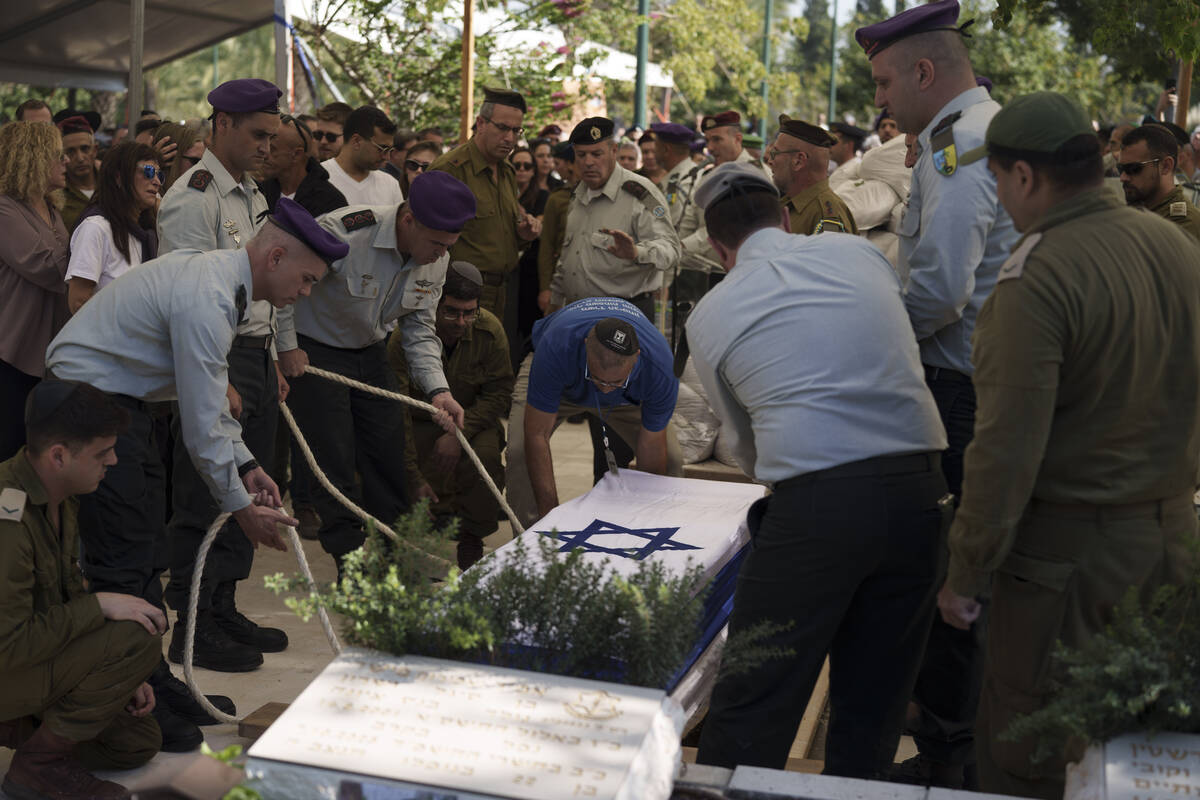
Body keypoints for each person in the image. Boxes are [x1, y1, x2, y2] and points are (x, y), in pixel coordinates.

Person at [942, 91, 1200, 800]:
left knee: (1036, 756)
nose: (1000, 196)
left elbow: (1004, 454)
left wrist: (965, 572)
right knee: (1145, 762)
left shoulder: (1038, 276)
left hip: (1069, 569)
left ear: (1024, 177)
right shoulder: (1177, 247)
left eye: (997, 180)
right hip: (1173, 544)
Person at [45, 198, 343, 751]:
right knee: (121, 558)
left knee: (142, 554)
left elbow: (206, 405)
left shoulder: (220, 285)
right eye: (306, 280)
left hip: (122, 404)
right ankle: (115, 706)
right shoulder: (210, 296)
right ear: (275, 256)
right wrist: (240, 506)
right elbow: (204, 426)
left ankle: (147, 677)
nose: (305, 293)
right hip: (86, 404)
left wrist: (249, 466)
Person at [688, 162, 948, 780]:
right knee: (874, 702)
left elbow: (745, 446)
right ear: (784, 216)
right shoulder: (858, 255)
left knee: (756, 696)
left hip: (818, 507)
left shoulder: (710, 313)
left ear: (718, 247)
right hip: (922, 494)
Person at [858, 0, 1020, 786]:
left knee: (950, 575)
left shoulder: (959, 147)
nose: (880, 100)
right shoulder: (966, 138)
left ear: (925, 72)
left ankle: (950, 755)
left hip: (957, 387)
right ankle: (950, 738)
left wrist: (872, 345)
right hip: (965, 380)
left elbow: (941, 291)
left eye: (886, 82)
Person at [275, 172, 474, 575]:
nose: (441, 255)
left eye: (448, 246)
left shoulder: (438, 256)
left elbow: (419, 329)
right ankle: (349, 561)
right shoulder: (346, 233)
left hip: (371, 351)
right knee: (331, 462)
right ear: (408, 220)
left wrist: (438, 389)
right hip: (315, 352)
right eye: (436, 243)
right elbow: (282, 287)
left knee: (389, 457)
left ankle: (391, 554)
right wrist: (286, 347)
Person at [157, 78, 288, 681]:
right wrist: (220, 380)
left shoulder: (249, 193)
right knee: (203, 491)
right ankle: (193, 624)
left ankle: (223, 604)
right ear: (222, 126)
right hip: (218, 354)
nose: (268, 146)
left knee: (252, 484)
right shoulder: (196, 196)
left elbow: (263, 276)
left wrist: (276, 357)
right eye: (258, 134)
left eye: (273, 135)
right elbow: (185, 297)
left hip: (254, 354)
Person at [0, 381, 165, 800]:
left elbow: (61, 593)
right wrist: (97, 608)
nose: (113, 460)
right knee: (136, 636)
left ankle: (24, 727)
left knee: (134, 742)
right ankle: (39, 768)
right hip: (8, 659)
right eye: (101, 452)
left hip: (27, 658)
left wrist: (113, 675)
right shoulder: (7, 516)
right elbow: (8, 646)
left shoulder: (62, 495)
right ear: (59, 455)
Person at [505, 296, 683, 526]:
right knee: (519, 451)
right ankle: (531, 542)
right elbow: (536, 435)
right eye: (598, 378)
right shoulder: (558, 345)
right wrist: (550, 524)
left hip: (626, 400)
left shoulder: (661, 367)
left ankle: (656, 533)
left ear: (637, 357)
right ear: (585, 344)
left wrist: (645, 520)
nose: (605, 390)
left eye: (617, 381)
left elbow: (651, 445)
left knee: (672, 460)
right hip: (563, 384)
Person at [388, 262, 514, 570]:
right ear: (436, 303)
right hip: (417, 421)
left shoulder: (490, 330)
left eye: (469, 313)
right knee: (394, 460)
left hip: (471, 419)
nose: (461, 322)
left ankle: (472, 537)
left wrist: (459, 434)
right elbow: (397, 410)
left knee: (484, 455)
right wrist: (413, 477)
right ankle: (406, 540)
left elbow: (499, 393)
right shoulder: (406, 337)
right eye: (452, 312)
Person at [546, 117, 680, 318]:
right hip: (576, 313)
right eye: (581, 155)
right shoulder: (578, 194)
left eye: (596, 154)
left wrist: (636, 252)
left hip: (623, 316)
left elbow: (672, 250)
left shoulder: (640, 194)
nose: (588, 162)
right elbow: (569, 257)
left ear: (613, 151)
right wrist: (555, 302)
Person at [429, 87, 541, 321]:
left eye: (516, 130)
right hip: (460, 297)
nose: (510, 138)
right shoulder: (451, 169)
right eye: (502, 128)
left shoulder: (507, 171)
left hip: (504, 290)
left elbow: (499, 233)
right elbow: (427, 241)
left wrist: (523, 234)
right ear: (480, 123)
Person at [0, 121, 70, 462]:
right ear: (35, 158)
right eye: (59, 155)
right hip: (12, 353)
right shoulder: (4, 209)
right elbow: (45, 265)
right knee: (10, 449)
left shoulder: (52, 209)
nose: (67, 162)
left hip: (47, 354)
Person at [65, 142, 163, 313]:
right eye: (148, 172)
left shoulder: (144, 231)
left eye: (159, 175)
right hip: (110, 338)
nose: (156, 182)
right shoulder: (95, 228)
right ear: (119, 177)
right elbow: (78, 302)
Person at [767, 115, 857, 235]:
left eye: (775, 153)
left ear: (798, 161)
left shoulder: (826, 215)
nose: (770, 161)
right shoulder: (789, 203)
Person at [1117, 123, 1200, 241]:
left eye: (1133, 169)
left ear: (1166, 166)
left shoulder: (1183, 223)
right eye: (1121, 169)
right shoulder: (1137, 207)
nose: (1123, 177)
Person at [259, 113, 348, 218]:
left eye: (272, 149)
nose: (264, 154)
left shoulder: (329, 201)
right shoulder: (258, 192)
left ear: (297, 154)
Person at [512, 145, 551, 365]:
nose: (522, 170)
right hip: (508, 267)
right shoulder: (502, 194)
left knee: (529, 324)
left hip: (531, 270)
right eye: (517, 165)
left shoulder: (544, 196)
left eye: (527, 166)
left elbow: (537, 229)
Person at [322, 105, 405, 207]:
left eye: (390, 150)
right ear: (356, 141)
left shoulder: (390, 184)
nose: (386, 157)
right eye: (382, 149)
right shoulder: (318, 179)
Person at [537, 142, 576, 314]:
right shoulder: (557, 198)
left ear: (570, 164)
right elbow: (547, 246)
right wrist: (545, 287)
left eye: (558, 164)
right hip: (561, 281)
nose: (555, 168)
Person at [54, 111, 102, 231]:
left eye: (85, 149)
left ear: (95, 150)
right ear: (62, 156)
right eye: (71, 151)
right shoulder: (55, 196)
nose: (80, 158)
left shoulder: (114, 185)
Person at [652, 122, 704, 232]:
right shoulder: (692, 173)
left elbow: (677, 229)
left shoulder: (680, 182)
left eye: (656, 147)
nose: (653, 153)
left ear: (666, 150)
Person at [153, 122, 205, 193]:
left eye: (204, 162)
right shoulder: (147, 197)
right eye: (195, 161)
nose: (203, 169)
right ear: (169, 158)